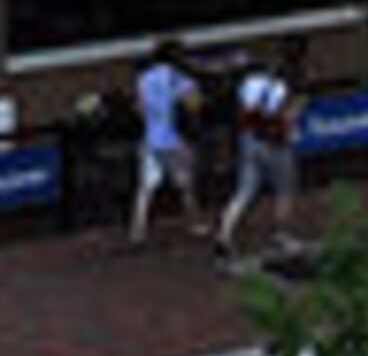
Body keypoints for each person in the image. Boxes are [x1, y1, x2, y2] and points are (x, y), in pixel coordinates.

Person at [217, 39, 307, 264]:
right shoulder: (285, 88)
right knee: (284, 191)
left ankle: (224, 234)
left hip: (249, 141)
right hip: (276, 144)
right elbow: (288, 117)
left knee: (244, 191)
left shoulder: (249, 84)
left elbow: (244, 113)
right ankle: (281, 235)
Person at [129, 39, 203, 246]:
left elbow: (140, 110)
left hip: (150, 138)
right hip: (174, 140)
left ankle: (137, 231)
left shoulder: (143, 79)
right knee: (186, 185)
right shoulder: (181, 79)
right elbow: (193, 106)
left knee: (145, 188)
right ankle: (195, 224)